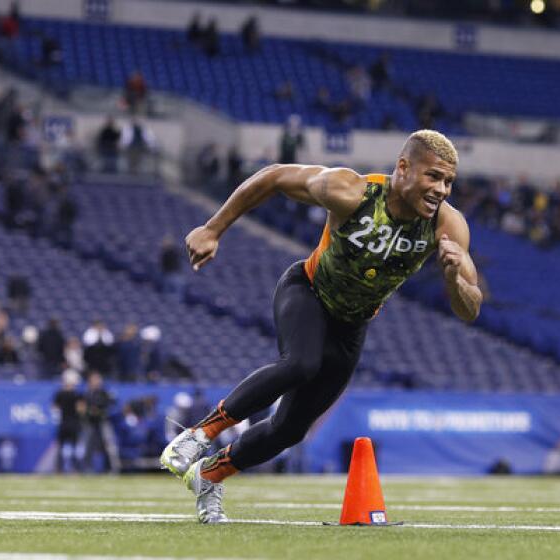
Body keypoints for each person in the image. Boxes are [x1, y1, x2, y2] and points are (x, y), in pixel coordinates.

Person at [160, 130, 482, 523]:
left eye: (449, 181)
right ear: (403, 168)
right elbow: (275, 176)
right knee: (301, 363)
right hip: (308, 291)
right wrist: (213, 229)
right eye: (433, 176)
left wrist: (452, 278)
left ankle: (210, 475)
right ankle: (199, 435)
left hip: (352, 325)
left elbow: (470, 307)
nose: (442, 189)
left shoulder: (447, 226)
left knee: (291, 430)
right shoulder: (351, 192)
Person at [52, 369, 84, 473]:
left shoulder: (60, 394)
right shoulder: (77, 395)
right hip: (74, 423)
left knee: (61, 447)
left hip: (63, 422)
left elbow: (54, 408)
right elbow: (81, 410)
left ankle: (59, 469)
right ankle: (76, 469)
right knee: (74, 447)